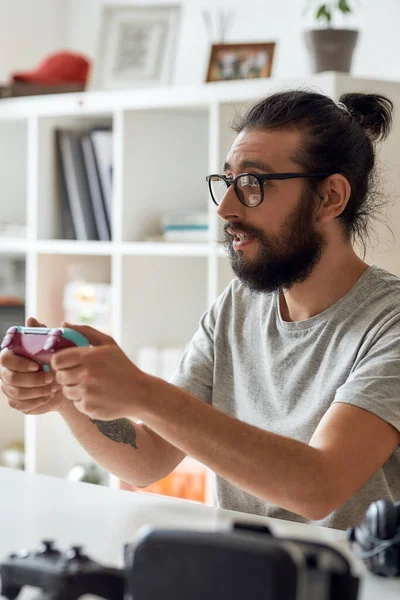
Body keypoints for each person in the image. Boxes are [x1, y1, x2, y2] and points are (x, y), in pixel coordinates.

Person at [1, 90, 400, 531]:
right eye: (227, 182)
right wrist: (67, 394)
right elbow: (148, 459)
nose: (226, 208)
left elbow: (318, 486)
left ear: (330, 198)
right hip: (247, 570)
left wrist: (142, 392)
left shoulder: (390, 323)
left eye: (252, 184)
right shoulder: (238, 306)